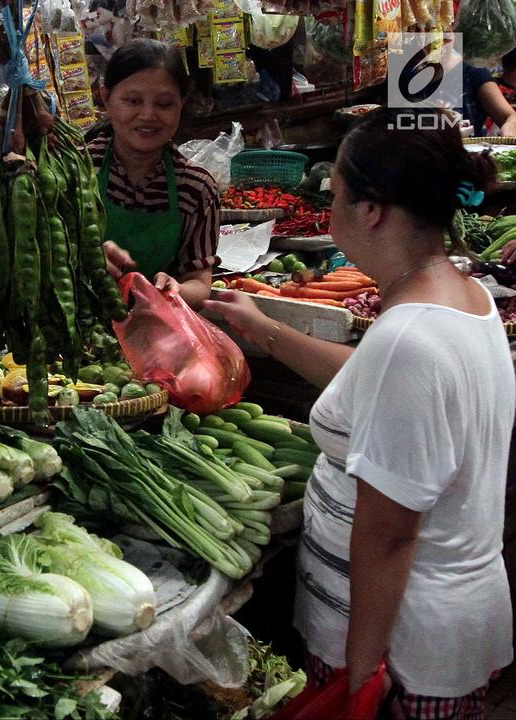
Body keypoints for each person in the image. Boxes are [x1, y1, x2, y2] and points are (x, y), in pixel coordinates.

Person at [205, 107, 513, 720]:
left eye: (338, 195)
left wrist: (361, 672)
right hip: (432, 627)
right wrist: (264, 329)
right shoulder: (460, 294)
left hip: (404, 653)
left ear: (370, 211)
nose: (332, 209)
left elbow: (391, 533)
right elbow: (374, 384)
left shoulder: (409, 337)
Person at [88, 38, 220, 308]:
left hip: (157, 334)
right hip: (75, 331)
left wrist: (176, 290)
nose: (148, 115)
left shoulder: (195, 187)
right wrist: (83, 259)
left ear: (181, 104)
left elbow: (199, 282)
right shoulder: (77, 168)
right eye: (133, 101)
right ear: (106, 98)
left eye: (164, 104)